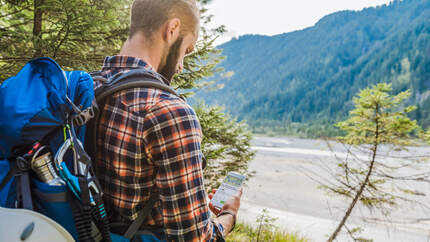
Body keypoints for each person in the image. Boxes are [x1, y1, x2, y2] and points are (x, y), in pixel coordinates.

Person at [92, 0, 242, 241]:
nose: (181, 65)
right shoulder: (168, 112)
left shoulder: (87, 88)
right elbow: (195, 238)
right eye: (187, 50)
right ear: (172, 29)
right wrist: (228, 216)